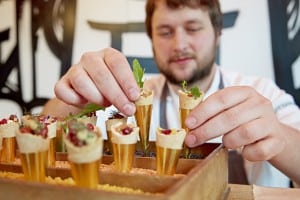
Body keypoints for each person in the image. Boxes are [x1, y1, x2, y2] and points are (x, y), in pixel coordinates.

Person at [42, 0, 300, 187]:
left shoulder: (262, 93)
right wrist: (75, 99)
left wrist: (281, 138)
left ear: (218, 32)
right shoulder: (131, 99)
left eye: (193, 28)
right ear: (151, 39)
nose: (179, 44)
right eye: (165, 32)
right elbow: (45, 130)